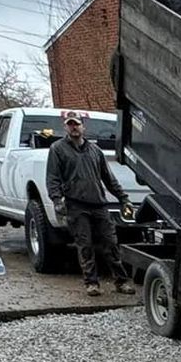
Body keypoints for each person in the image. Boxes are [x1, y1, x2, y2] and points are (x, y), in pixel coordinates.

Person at [45, 110, 135, 296]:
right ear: (65, 127)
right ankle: (91, 283)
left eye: (76, 124)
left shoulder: (95, 151)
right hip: (76, 205)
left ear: (83, 126)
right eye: (70, 124)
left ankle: (121, 281)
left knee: (110, 244)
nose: (74, 127)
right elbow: (53, 178)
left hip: (99, 205)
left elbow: (108, 178)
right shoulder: (58, 149)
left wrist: (123, 198)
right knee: (84, 245)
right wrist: (56, 200)